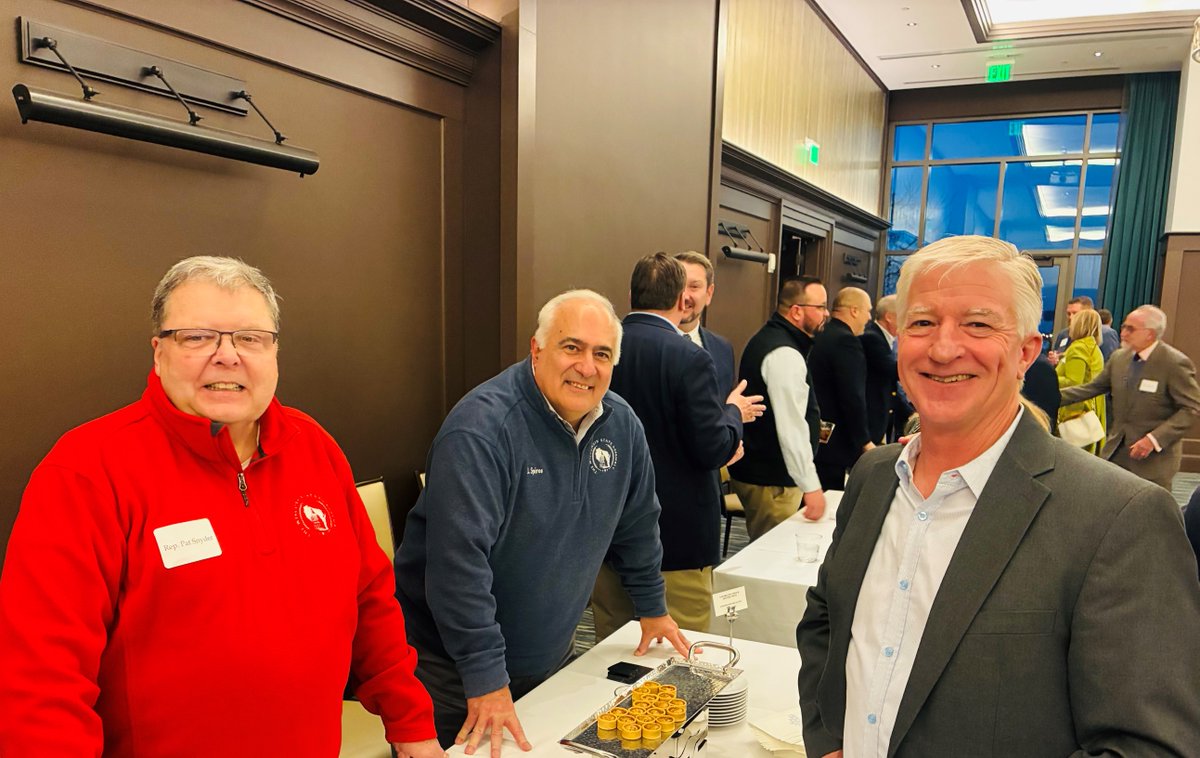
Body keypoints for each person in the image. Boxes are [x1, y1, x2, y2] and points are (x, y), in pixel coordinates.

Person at [0, 257, 442, 758]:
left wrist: (412, 724)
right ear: (158, 353)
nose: (227, 356)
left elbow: (370, 601)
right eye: (196, 337)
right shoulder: (86, 471)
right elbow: (41, 681)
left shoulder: (314, 447)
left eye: (250, 338)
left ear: (275, 352)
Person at [798, 236, 1200, 757]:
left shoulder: (1118, 517)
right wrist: (830, 739)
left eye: (978, 324)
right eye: (922, 322)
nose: (943, 349)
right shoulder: (874, 477)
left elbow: (1149, 745)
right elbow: (825, 619)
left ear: (1026, 353)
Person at [395, 289, 689, 755]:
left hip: (550, 658)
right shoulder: (481, 431)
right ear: (536, 349)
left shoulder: (623, 425)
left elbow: (637, 524)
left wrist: (652, 607)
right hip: (453, 672)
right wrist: (487, 678)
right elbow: (457, 570)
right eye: (571, 347)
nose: (586, 367)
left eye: (602, 353)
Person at [593, 253, 761, 639]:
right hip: (676, 536)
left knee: (611, 651)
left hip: (608, 527)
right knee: (678, 656)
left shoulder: (600, 350)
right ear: (682, 301)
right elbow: (712, 448)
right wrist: (733, 414)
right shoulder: (689, 357)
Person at [729, 277, 829, 539]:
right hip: (772, 481)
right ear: (797, 311)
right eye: (820, 307)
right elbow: (790, 427)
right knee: (769, 565)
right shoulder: (783, 352)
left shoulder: (775, 339)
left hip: (767, 474)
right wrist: (811, 486)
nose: (825, 314)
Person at [1060, 305, 1200, 490]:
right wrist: (1047, 397)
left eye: (1130, 329)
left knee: (1147, 515)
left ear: (1150, 334)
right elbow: (1091, 389)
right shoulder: (1119, 359)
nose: (1123, 332)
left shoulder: (1173, 363)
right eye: (1124, 326)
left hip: (1153, 463)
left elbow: (1191, 408)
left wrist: (1154, 439)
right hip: (1115, 455)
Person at [809, 287, 875, 490]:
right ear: (854, 310)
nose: (869, 317)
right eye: (868, 311)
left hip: (816, 434)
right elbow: (852, 396)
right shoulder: (846, 342)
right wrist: (864, 440)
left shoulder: (820, 334)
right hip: (835, 442)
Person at [675, 251, 736, 393]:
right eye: (678, 285)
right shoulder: (648, 343)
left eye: (694, 286)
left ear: (709, 293)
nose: (684, 295)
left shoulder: (723, 349)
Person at [1055, 308, 1106, 455]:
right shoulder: (1093, 348)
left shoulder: (1078, 348)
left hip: (1075, 414)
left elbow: (1073, 381)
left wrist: (1049, 379)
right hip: (1090, 411)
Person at [862, 294, 900, 445]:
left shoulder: (883, 338)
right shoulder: (872, 337)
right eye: (903, 316)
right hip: (870, 415)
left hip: (881, 415)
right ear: (889, 317)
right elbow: (892, 370)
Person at [1047, 295, 1091, 366]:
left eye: (1075, 313)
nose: (1071, 317)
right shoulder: (1063, 334)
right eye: (1068, 314)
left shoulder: (1096, 336)